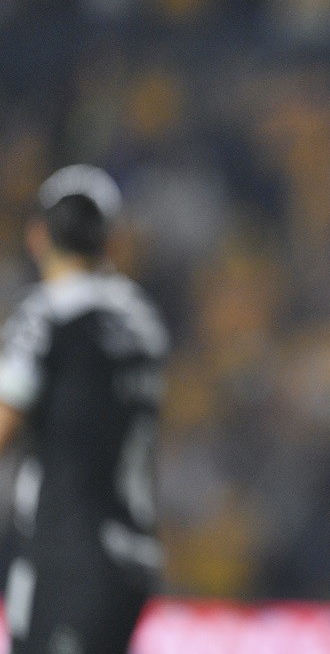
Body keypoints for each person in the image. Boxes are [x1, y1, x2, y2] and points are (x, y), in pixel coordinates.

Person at [0, 165, 169, 653]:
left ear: (38, 237)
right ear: (111, 242)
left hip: (66, 554)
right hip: (131, 552)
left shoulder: (47, 315)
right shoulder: (142, 321)